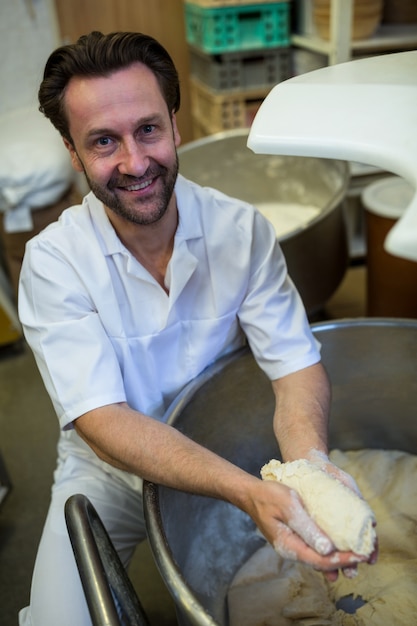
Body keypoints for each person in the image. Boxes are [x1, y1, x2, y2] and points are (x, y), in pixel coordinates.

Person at [18, 31, 377, 626]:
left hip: (232, 451)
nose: (134, 162)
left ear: (175, 127)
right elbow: (104, 425)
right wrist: (245, 493)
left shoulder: (241, 232)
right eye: (104, 142)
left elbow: (293, 366)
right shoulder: (54, 263)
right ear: (73, 153)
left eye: (148, 129)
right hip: (107, 477)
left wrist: (310, 472)